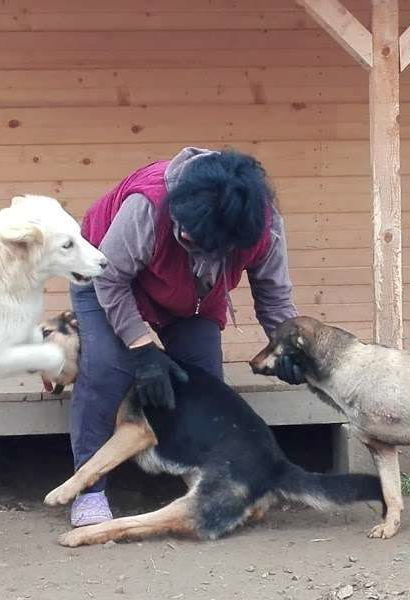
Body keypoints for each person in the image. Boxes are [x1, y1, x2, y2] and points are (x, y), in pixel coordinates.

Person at [67, 146, 305, 526]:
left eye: (197, 239)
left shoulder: (263, 226)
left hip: (192, 295)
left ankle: (203, 479)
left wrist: (290, 350)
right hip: (104, 278)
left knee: (204, 382)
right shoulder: (147, 205)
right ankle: (89, 490)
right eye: (183, 228)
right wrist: (142, 349)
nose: (185, 234)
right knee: (108, 369)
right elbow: (110, 280)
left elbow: (273, 296)